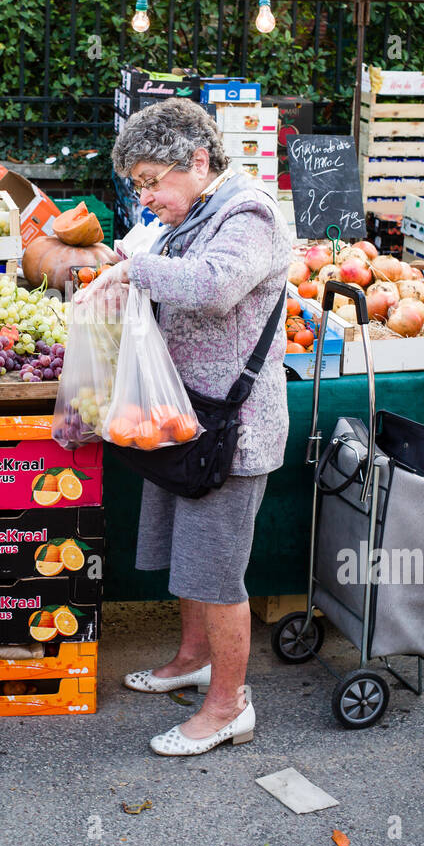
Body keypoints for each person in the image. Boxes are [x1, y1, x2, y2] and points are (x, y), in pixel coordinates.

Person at [77, 98, 291, 757]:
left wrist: (130, 269)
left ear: (196, 162)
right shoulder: (197, 209)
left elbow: (214, 284)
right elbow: (162, 265)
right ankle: (193, 658)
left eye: (150, 182)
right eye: (136, 184)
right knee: (188, 559)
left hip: (232, 429)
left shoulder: (248, 210)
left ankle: (228, 707)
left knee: (216, 574)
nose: (145, 198)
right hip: (182, 419)